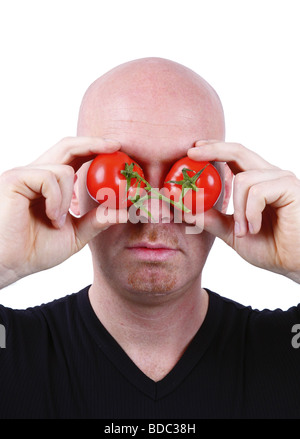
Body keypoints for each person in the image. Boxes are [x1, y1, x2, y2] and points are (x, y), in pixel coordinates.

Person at [0, 57, 299, 419]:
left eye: (190, 174)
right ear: (74, 188)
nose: (154, 210)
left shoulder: (287, 353)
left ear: (227, 193)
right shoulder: (10, 352)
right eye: (122, 174)